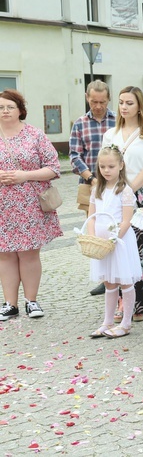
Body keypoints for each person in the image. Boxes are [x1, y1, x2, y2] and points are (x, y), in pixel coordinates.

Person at [0, 89, 63, 321]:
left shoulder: (34, 135)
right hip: (2, 207)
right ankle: (9, 304)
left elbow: (54, 167)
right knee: (4, 254)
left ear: (20, 110)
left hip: (29, 206)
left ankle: (31, 301)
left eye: (9, 107)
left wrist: (24, 175)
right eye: (1, 107)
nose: (5, 111)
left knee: (28, 254)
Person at [103, 86, 143, 323]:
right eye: (121, 103)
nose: (124, 107)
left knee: (142, 250)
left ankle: (141, 302)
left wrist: (129, 189)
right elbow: (104, 162)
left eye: (129, 103)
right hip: (116, 195)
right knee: (118, 247)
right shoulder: (110, 134)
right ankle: (120, 302)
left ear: (139, 107)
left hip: (141, 194)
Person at [86, 145, 143, 339]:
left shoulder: (125, 190)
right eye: (102, 167)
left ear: (121, 165)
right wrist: (93, 237)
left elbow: (127, 219)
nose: (106, 170)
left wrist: (114, 237)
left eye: (111, 166)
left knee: (124, 280)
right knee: (109, 282)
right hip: (102, 243)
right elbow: (92, 216)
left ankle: (126, 323)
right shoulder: (97, 189)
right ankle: (107, 321)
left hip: (119, 241)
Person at [69, 80, 116, 296]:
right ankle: (103, 277)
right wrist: (91, 178)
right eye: (94, 101)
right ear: (87, 98)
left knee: (116, 230)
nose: (98, 106)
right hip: (92, 184)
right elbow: (74, 155)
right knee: (95, 231)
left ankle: (117, 274)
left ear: (108, 99)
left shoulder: (117, 120)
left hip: (116, 184)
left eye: (102, 102)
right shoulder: (80, 123)